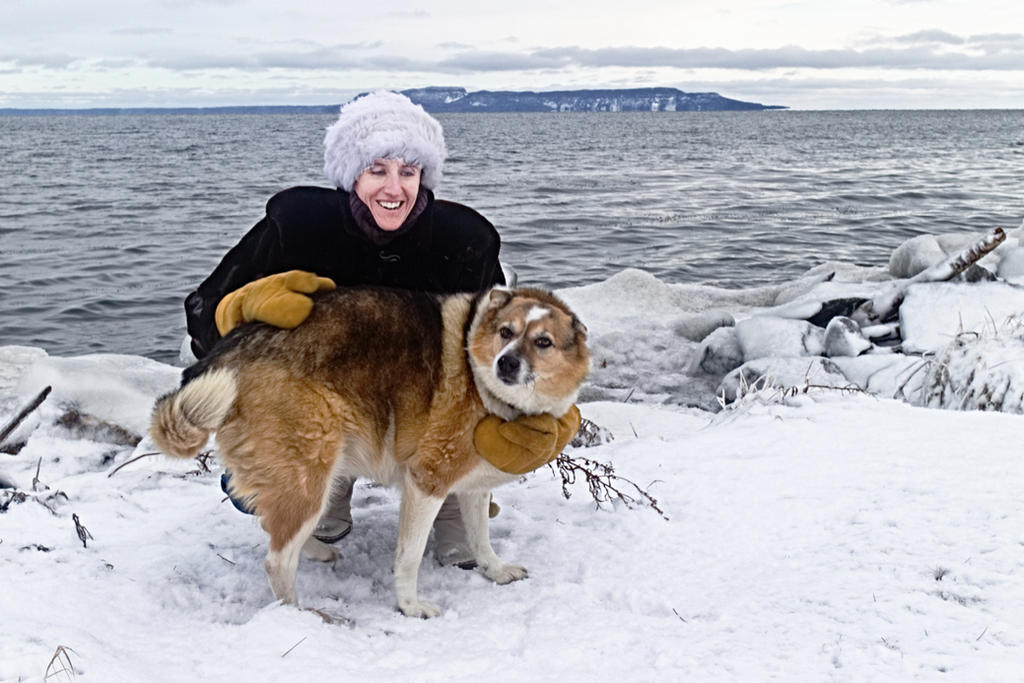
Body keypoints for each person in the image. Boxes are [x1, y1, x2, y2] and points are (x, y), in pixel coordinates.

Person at [184, 90, 579, 567]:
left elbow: (498, 353)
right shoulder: (297, 229)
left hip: (431, 410)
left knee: (479, 429)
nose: (394, 189)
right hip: (330, 405)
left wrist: (539, 421)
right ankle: (329, 492)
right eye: (377, 170)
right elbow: (202, 312)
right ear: (352, 175)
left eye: (407, 172)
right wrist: (237, 310)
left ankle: (455, 506)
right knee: (253, 485)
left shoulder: (466, 240)